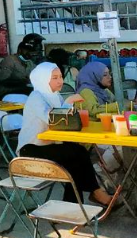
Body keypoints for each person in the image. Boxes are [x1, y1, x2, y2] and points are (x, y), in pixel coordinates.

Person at [18, 62, 112, 206]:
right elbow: (55, 120)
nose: (60, 81)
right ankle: (90, 196)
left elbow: (67, 122)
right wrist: (68, 102)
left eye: (61, 77)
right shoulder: (36, 97)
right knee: (76, 157)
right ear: (43, 79)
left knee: (78, 152)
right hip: (31, 150)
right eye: (54, 78)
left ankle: (78, 202)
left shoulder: (55, 96)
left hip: (49, 145)